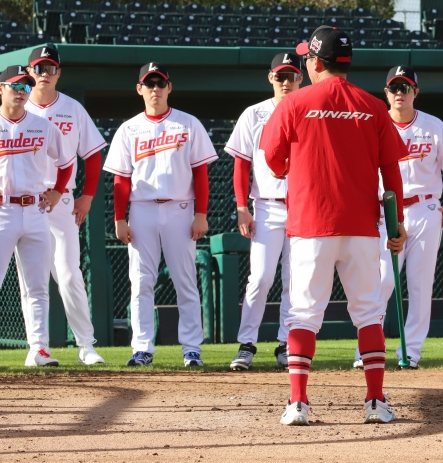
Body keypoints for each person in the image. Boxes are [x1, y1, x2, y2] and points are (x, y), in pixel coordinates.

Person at [260, 26, 408, 426]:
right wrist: (398, 225)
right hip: (361, 224)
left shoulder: (293, 103)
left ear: (315, 62)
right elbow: (391, 174)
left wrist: (301, 165)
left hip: (311, 223)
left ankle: (298, 403)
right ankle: (375, 402)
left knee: (304, 313)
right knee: (368, 313)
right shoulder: (374, 106)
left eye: (308, 58)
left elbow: (273, 162)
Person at [351, 65, 443, 369]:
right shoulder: (372, 124)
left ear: (416, 91)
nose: (399, 93)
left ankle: (411, 351)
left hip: (425, 208)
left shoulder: (433, 125)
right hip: (385, 211)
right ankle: (368, 348)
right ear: (386, 92)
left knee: (419, 284)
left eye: (405, 87)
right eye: (393, 88)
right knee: (382, 282)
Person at [104, 62, 217, 368]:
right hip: (142, 209)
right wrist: (119, 218)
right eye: (149, 84)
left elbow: (201, 173)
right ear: (139, 89)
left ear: (169, 87)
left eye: (160, 83)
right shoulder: (129, 128)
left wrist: (201, 213)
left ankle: (192, 348)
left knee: (185, 281)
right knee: (140, 282)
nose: (155, 89)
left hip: (180, 207)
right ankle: (142, 348)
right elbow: (120, 179)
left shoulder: (188, 124)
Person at [0, 66, 75, 369]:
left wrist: (57, 191)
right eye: (15, 86)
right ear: (0, 89)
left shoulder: (42, 126)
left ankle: (39, 348)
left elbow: (67, 162)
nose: (21, 91)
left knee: (38, 286)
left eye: (26, 87)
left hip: (34, 210)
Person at [23, 46, 107, 366]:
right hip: (26, 200)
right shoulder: (18, 106)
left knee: (70, 275)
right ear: (30, 71)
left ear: (60, 72)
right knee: (32, 277)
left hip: (63, 200)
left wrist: (87, 195)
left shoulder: (72, 108)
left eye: (51, 67)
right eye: (39, 67)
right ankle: (38, 347)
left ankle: (86, 344)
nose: (45, 73)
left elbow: (94, 153)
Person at [226, 53, 301, 371]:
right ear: (270, 78)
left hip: (301, 206)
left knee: (294, 281)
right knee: (260, 278)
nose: (286, 82)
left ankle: (286, 344)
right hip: (267, 206)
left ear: (301, 78)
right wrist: (242, 207)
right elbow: (240, 164)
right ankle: (247, 343)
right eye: (280, 76)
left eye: (291, 76)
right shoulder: (253, 114)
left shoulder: (307, 112)